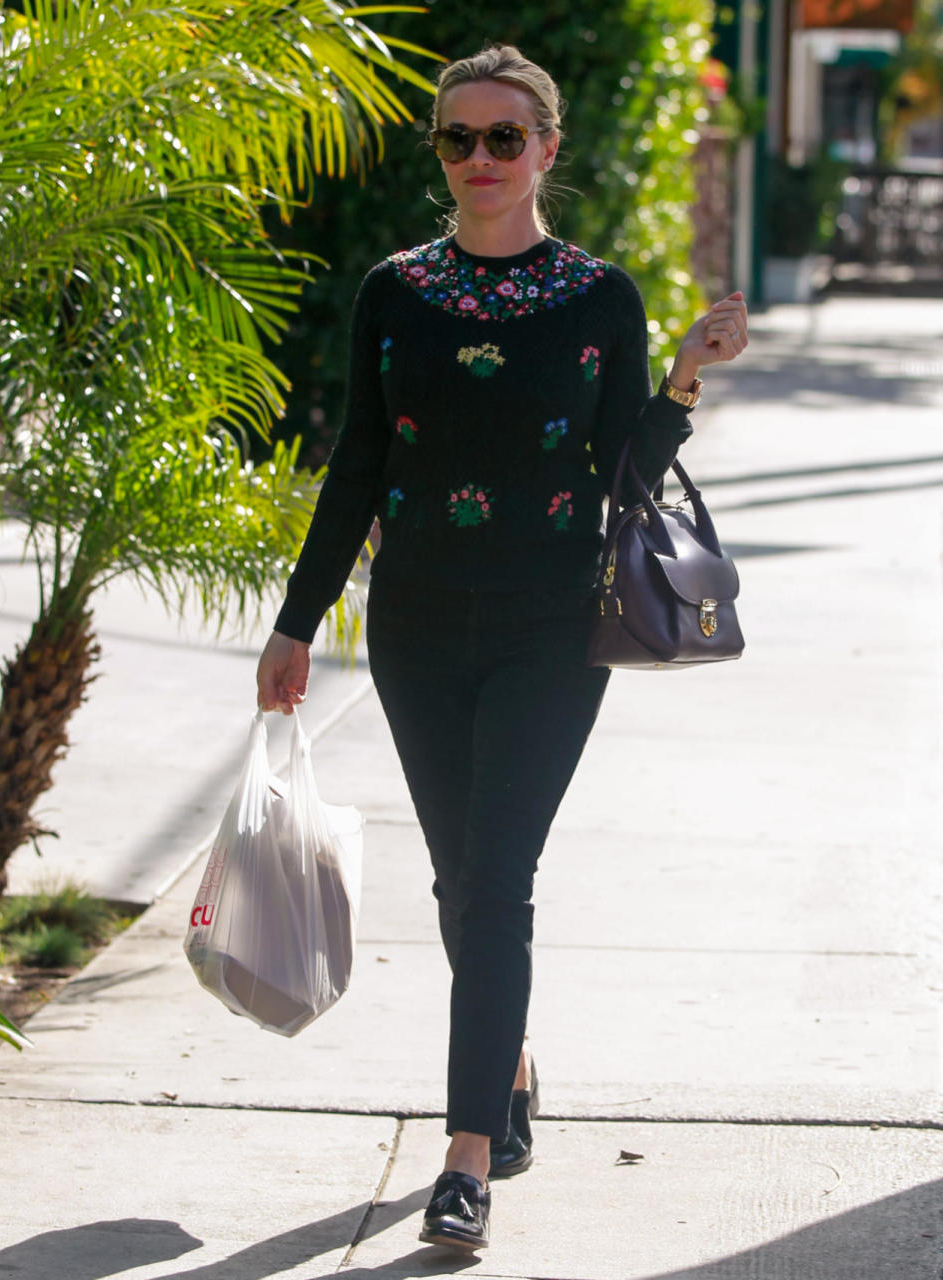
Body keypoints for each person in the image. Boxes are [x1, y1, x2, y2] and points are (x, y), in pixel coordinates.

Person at [257, 43, 748, 1253]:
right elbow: (360, 466)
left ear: (545, 150)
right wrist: (297, 618)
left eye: (502, 138)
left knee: (500, 877)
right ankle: (509, 1064)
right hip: (417, 626)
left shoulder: (598, 298)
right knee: (458, 879)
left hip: (548, 627)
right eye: (456, 139)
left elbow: (620, 472)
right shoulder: (393, 292)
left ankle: (465, 1155)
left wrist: (682, 380)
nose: (478, 160)